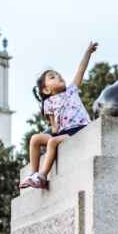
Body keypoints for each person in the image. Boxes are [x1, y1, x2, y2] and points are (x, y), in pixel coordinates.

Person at [21, 41, 97, 190]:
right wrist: (53, 133)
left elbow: (81, 70)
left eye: (58, 75)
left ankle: (42, 176)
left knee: (52, 142)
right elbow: (54, 127)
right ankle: (33, 174)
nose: (58, 76)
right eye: (52, 77)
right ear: (46, 90)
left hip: (78, 129)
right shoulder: (48, 104)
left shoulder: (71, 90)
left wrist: (87, 53)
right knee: (35, 139)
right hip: (63, 132)